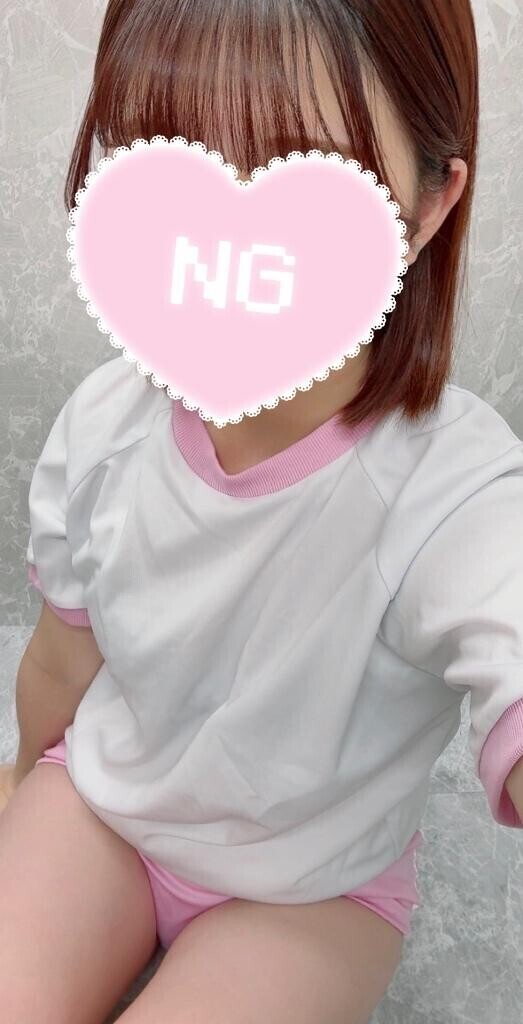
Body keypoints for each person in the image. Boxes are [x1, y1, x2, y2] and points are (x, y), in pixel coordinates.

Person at [1, 1, 522, 1021]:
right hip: (102, 806)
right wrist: (23, 776)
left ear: (425, 204)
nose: (230, 235)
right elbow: (62, 654)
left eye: (303, 170)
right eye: (169, 155)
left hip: (312, 893)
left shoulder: (451, 488)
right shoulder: (104, 422)